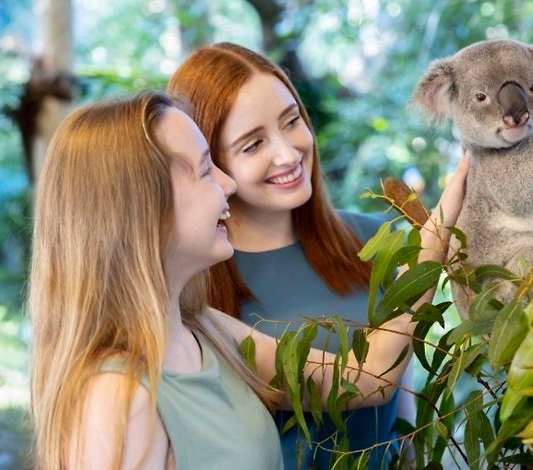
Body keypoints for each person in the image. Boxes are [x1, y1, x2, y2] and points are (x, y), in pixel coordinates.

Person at [28, 91, 470, 469]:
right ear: (143, 212)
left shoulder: (205, 328)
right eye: (205, 170)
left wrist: (435, 238)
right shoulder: (114, 396)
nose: (227, 185)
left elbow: (368, 379)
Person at [167, 41, 454, 469]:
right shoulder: (195, 291)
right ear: (209, 160)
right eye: (252, 145)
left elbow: (402, 417)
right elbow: (369, 381)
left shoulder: (377, 240)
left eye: (291, 121)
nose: (287, 153)